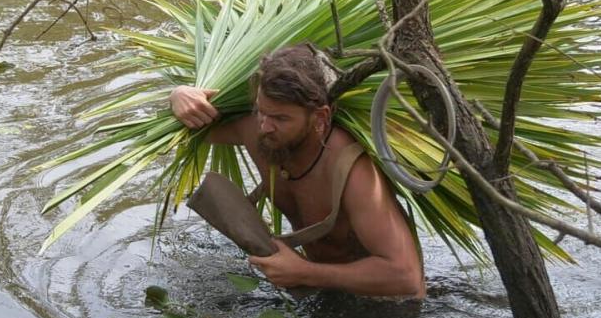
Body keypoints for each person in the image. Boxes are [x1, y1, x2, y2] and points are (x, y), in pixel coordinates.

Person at [169, 44, 426, 299]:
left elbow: (406, 277)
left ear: (320, 118)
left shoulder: (352, 171)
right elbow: (180, 130)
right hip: (315, 288)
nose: (264, 127)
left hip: (384, 306)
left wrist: (304, 273)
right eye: (260, 111)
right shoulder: (256, 130)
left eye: (281, 119)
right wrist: (178, 96)